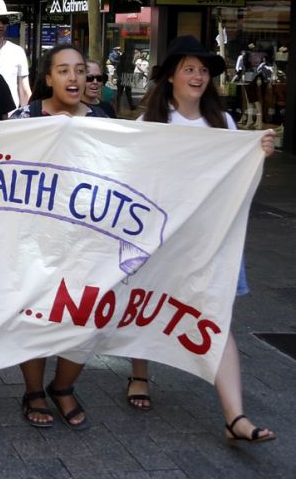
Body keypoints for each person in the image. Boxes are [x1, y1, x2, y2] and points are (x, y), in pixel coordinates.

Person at [133, 35, 276, 443]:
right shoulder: (151, 124)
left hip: (210, 239)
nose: (197, 76)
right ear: (172, 77)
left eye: (203, 70)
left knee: (216, 317)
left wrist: (257, 154)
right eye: (189, 68)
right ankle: (139, 374)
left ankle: (235, 417)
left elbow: (238, 184)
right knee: (147, 302)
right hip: (163, 236)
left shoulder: (224, 124)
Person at [8, 44, 108, 431]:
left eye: (80, 70)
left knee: (85, 316)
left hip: (87, 240)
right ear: (48, 78)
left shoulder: (104, 121)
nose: (73, 78)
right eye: (63, 70)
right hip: (33, 239)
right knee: (33, 315)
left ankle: (63, 386)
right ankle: (34, 391)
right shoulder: (22, 119)